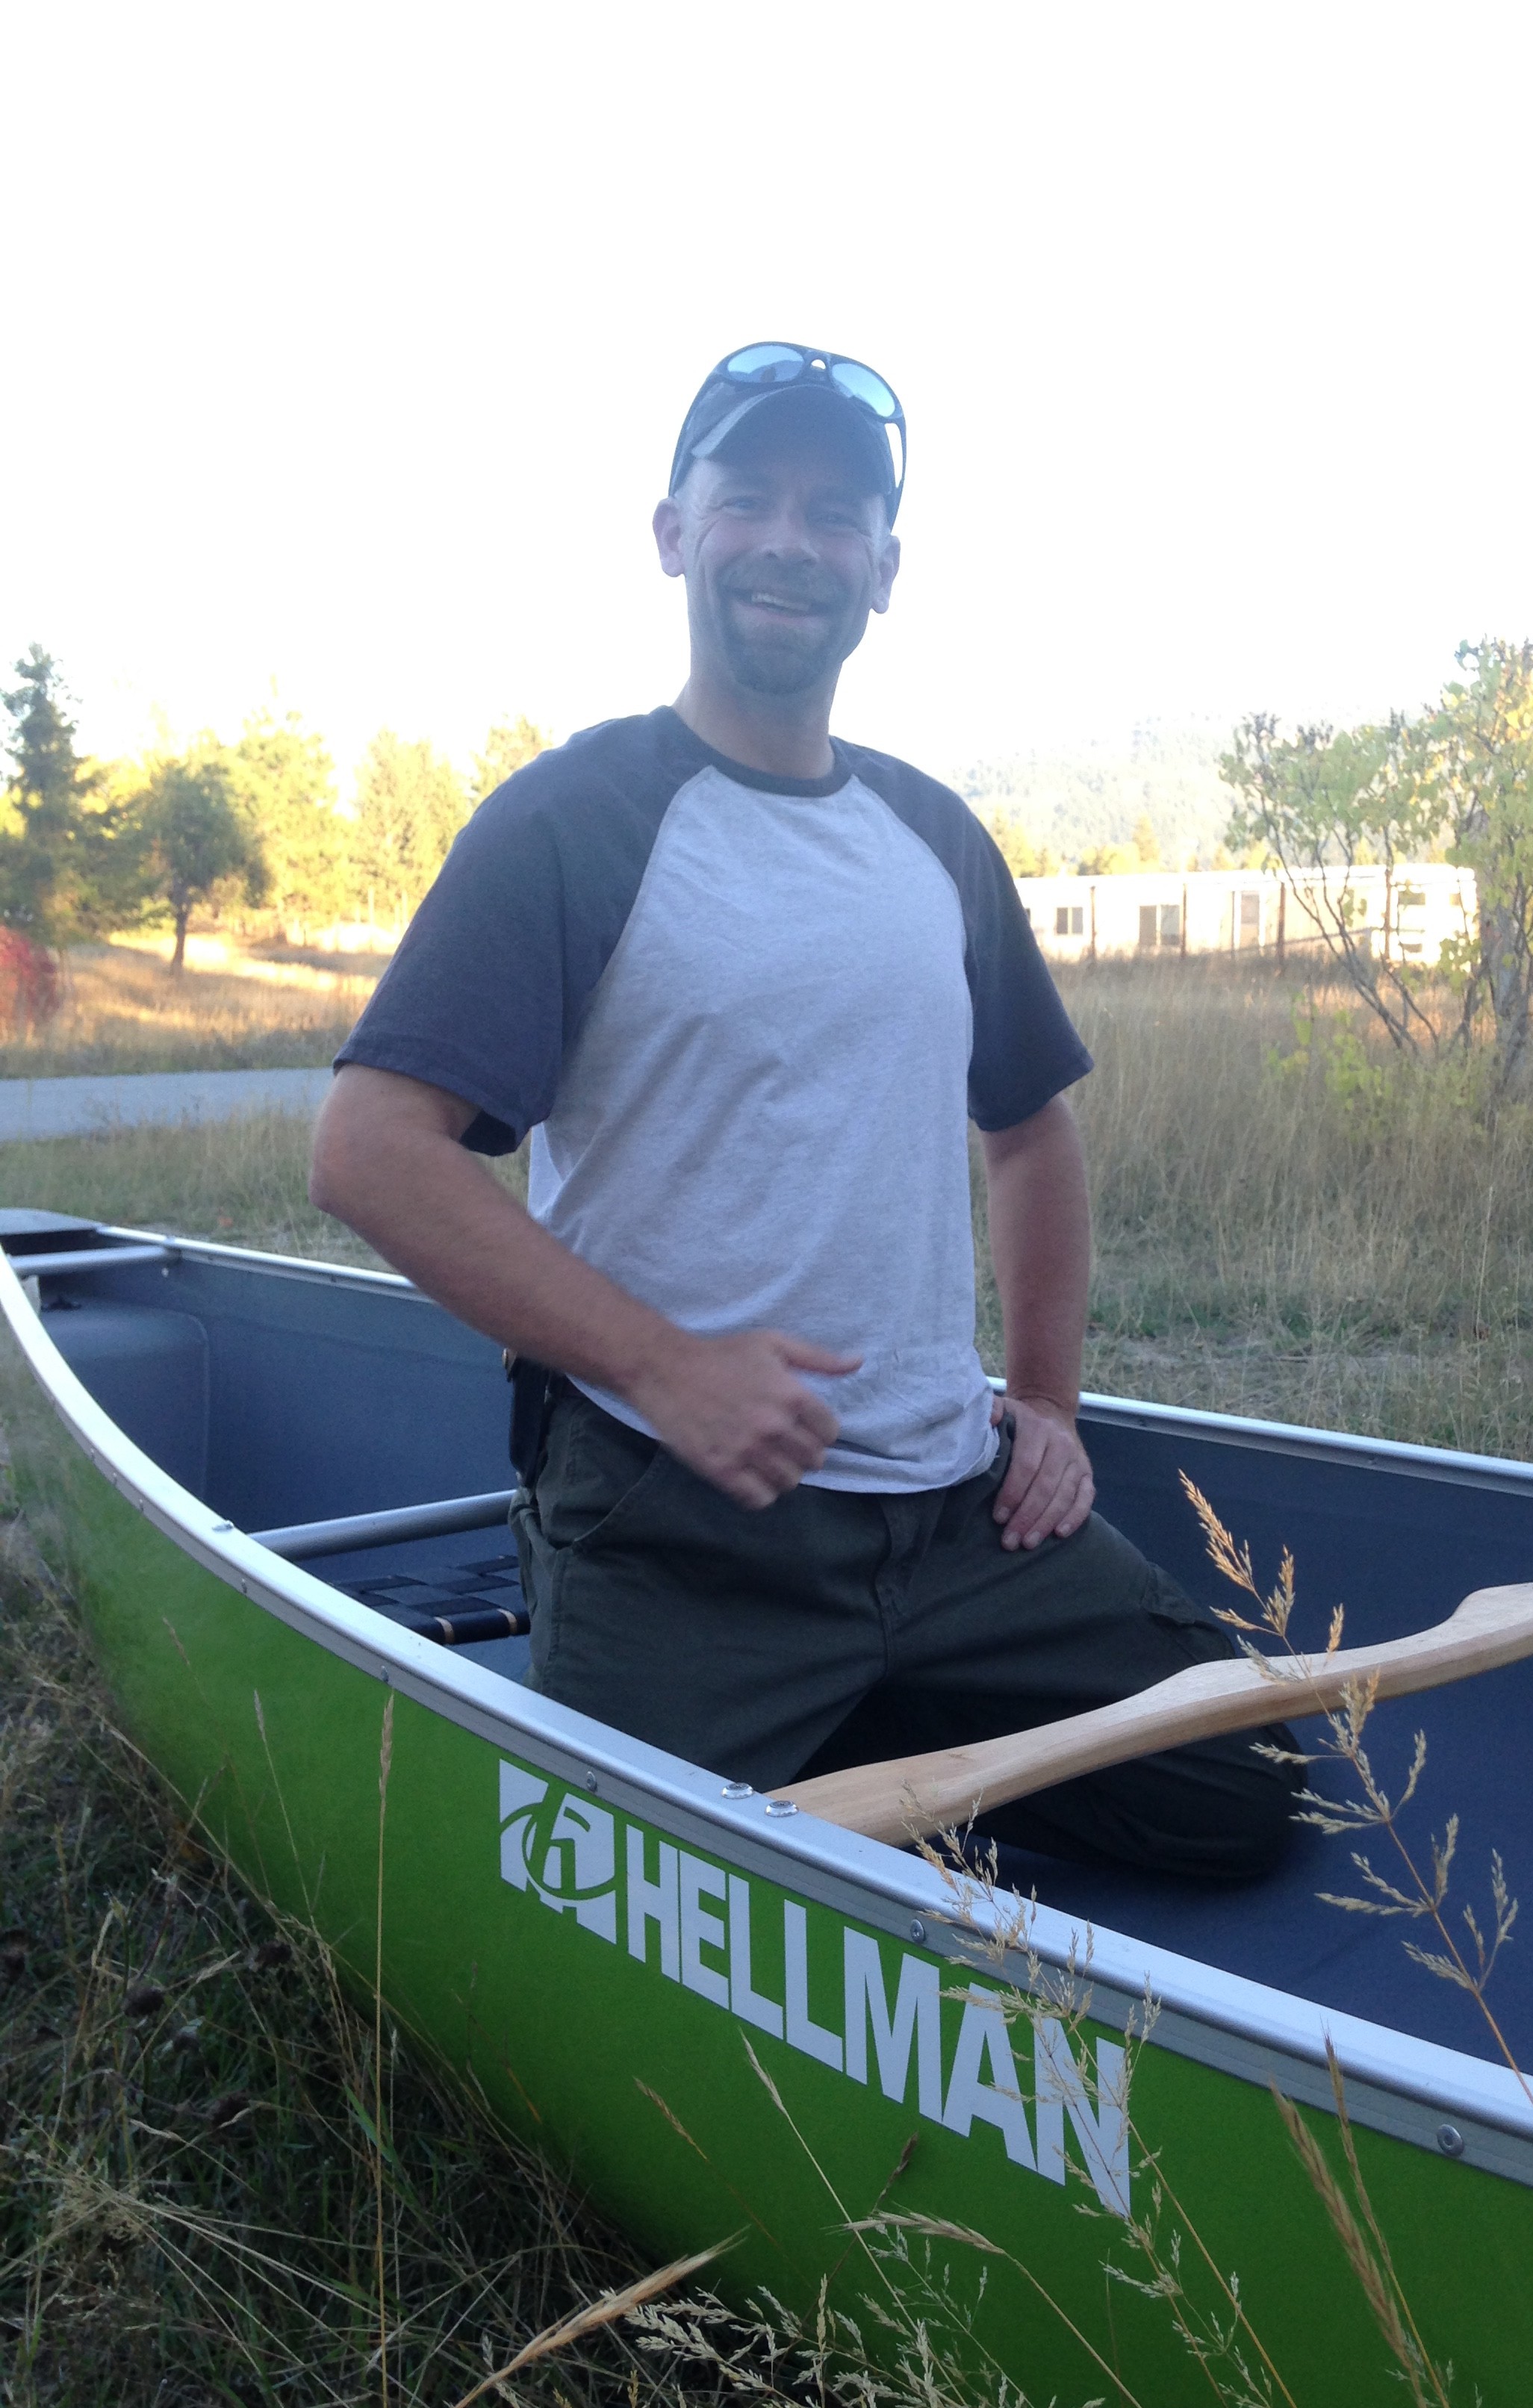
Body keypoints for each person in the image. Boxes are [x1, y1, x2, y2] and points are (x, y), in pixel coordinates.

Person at [311, 340, 1299, 1878]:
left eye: (837, 513)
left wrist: (1044, 1402)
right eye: (750, 498)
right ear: (672, 534)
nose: (791, 540)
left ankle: (856, 1723)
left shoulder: (934, 840)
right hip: (680, 1510)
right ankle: (800, 1743)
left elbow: (1030, 1128)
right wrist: (667, 1367)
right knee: (628, 1893)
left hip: (953, 1511)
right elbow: (370, 1149)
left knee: (1243, 1795)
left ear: (884, 571)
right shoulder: (574, 820)